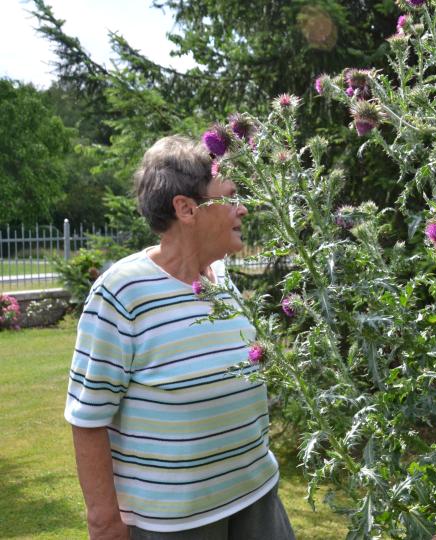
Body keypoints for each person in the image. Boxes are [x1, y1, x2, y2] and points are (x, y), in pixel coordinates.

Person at [64, 135, 294, 539]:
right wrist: (104, 523)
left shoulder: (220, 280)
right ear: (187, 209)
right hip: (176, 525)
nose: (242, 209)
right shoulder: (121, 294)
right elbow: (88, 418)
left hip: (256, 501)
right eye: (230, 197)